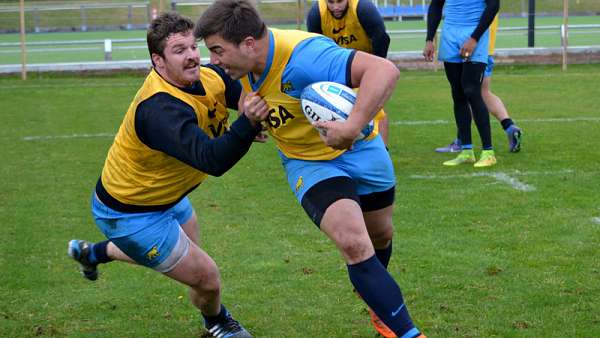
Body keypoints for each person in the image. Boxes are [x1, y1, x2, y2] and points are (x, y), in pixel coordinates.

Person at [195, 1, 426, 337]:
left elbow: (384, 70)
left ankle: (378, 300)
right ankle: (406, 331)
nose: (213, 60)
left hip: (361, 148)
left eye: (218, 51)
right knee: (353, 242)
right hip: (308, 162)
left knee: (380, 235)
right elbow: (261, 97)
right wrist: (253, 117)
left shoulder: (305, 55)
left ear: (248, 44)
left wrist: (351, 127)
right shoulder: (241, 67)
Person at [66, 12, 270, 338]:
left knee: (188, 265)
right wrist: (246, 125)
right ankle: (218, 323)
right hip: (129, 213)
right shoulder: (160, 109)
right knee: (206, 278)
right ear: (158, 61)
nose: (192, 55)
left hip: (166, 197)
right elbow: (212, 160)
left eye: (192, 46)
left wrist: (249, 113)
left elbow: (238, 93)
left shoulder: (206, 76)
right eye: (179, 50)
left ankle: (93, 253)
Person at [423, 0, 499, 167]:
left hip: (475, 35)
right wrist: (430, 38)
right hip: (450, 34)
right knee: (457, 94)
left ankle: (488, 152)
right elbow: (436, 5)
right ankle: (467, 151)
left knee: (472, 90)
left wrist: (474, 38)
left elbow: (494, 5)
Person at [306, 0, 391, 147]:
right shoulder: (316, 13)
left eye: (340, 1)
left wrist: (377, 73)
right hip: (334, 70)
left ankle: (383, 150)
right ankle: (340, 149)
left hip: (364, 69)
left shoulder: (363, 8)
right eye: (331, 2)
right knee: (332, 109)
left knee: (376, 110)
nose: (336, 7)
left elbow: (382, 38)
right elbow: (314, 48)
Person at [435, 14, 523, 154]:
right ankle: (509, 126)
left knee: (468, 93)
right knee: (483, 92)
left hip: (473, 48)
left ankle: (463, 141)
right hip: (485, 49)